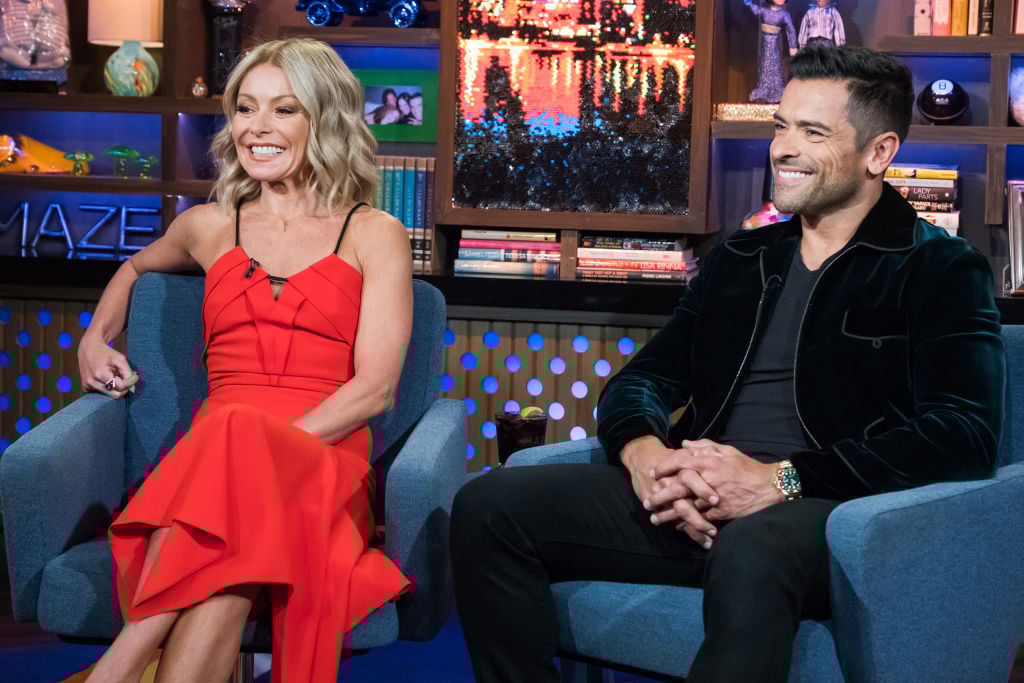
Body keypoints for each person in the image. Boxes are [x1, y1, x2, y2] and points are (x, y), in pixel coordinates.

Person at [450, 45, 1004, 683]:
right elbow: (643, 380)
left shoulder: (940, 267)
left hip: (828, 510)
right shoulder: (740, 258)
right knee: (490, 505)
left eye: (813, 132)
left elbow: (962, 434)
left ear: (878, 153)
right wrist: (646, 457)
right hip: (697, 494)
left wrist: (779, 481)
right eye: (781, 126)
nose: (783, 149)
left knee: (753, 546)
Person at [79, 37, 413, 682]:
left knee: (232, 437)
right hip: (218, 468)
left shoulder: (375, 233)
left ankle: (115, 669)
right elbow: (134, 267)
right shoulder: (207, 225)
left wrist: (267, 454)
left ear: (325, 119)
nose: (257, 127)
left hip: (320, 453)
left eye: (284, 109)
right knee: (224, 579)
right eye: (245, 108)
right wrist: (95, 338)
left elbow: (375, 390)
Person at [744, 0, 798, 104]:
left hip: (775, 44)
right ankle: (764, 89)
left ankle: (776, 90)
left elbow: (791, 30)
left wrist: (793, 48)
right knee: (764, 65)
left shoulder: (784, 14)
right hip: (765, 44)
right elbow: (754, 9)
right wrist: (748, 2)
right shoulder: (763, 11)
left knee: (775, 66)